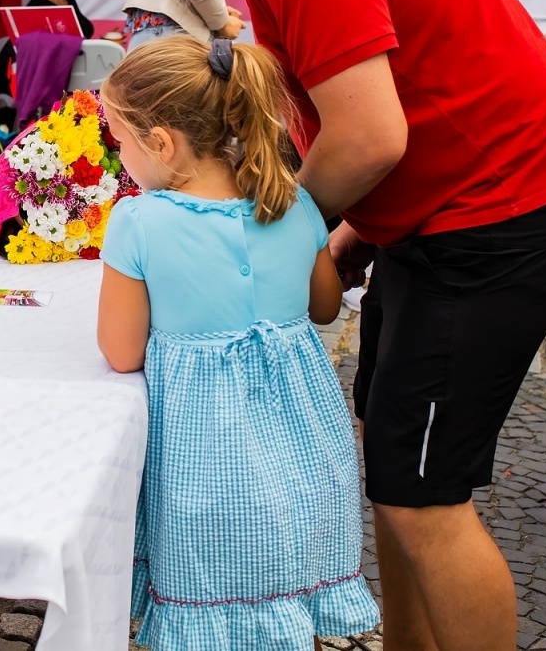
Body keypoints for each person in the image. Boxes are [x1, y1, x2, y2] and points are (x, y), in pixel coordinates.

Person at [81, 0, 546, 651]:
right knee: (394, 466)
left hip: (506, 204)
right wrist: (331, 235)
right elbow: (350, 119)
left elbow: (370, 136)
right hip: (453, 204)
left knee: (422, 497)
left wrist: (261, 231)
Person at [97, 34, 380, 648]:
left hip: (202, 465)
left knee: (210, 604)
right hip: (306, 461)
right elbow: (326, 308)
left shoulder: (138, 221)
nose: (118, 154)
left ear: (161, 142)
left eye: (118, 139)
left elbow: (120, 351)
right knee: (281, 584)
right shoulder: (295, 202)